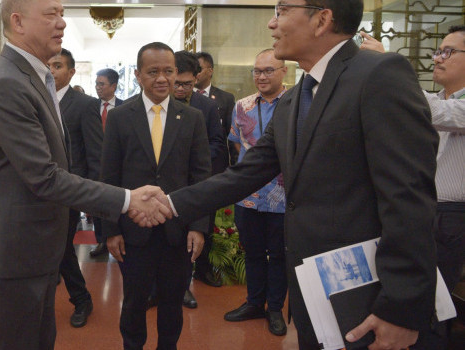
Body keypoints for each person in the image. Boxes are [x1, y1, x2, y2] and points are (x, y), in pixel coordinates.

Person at [136, 1, 439, 349]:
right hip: (313, 289)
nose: (271, 23)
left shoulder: (379, 74)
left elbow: (409, 196)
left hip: (369, 294)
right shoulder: (296, 99)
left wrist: (402, 306)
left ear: (322, 18)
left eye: (281, 11)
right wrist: (171, 203)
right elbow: (245, 174)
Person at [0, 1, 169, 349]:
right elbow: (44, 176)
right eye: (50, 14)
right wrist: (126, 199)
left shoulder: (33, 75)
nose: (61, 23)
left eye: (61, 13)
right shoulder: (8, 83)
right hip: (15, 247)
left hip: (36, 242)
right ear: (18, 21)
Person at [361, 25, 465, 348]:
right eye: (438, 51)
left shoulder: (444, 106)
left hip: (453, 218)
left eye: (448, 52)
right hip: (425, 212)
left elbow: (425, 110)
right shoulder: (435, 98)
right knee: (419, 297)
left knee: (436, 307)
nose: (438, 58)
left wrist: (388, 65)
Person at [102, 42, 211, 350]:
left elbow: (201, 177)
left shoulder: (191, 118)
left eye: (168, 71)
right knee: (134, 301)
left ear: (176, 73)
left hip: (178, 231)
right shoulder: (121, 118)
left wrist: (198, 227)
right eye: (153, 72)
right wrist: (110, 230)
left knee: (172, 302)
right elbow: (109, 177)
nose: (162, 79)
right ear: (137, 75)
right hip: (133, 232)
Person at [223, 48, 288, 336]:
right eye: (257, 71)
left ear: (284, 71)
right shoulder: (242, 106)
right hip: (248, 195)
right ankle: (253, 303)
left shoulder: (297, 103)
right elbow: (238, 146)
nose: (261, 76)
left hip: (285, 196)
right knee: (252, 253)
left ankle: (275, 308)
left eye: (268, 70)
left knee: (279, 255)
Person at [49, 48, 103, 328]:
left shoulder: (84, 104)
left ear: (70, 72)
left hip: (69, 191)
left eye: (57, 65)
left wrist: (92, 199)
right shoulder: (34, 99)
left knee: (61, 248)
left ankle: (81, 299)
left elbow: (95, 154)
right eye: (47, 65)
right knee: (47, 248)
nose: (51, 70)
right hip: (38, 190)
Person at [173, 50, 226, 308]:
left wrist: (198, 157)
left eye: (187, 84)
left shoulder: (206, 106)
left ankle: (183, 287)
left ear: (196, 78)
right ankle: (154, 289)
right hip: (162, 184)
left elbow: (218, 141)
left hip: (195, 182)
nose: (180, 88)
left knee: (189, 236)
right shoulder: (159, 102)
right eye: (177, 83)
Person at [91, 67, 126, 257]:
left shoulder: (125, 107)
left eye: (101, 84)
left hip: (118, 164)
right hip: (96, 164)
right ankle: (101, 240)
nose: (98, 88)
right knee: (98, 203)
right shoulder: (89, 107)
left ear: (113, 86)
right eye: (96, 84)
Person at [195, 51, 235, 165]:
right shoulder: (183, 98)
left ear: (210, 70)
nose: (195, 73)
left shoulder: (226, 98)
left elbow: (231, 136)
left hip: (217, 165)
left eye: (199, 69)